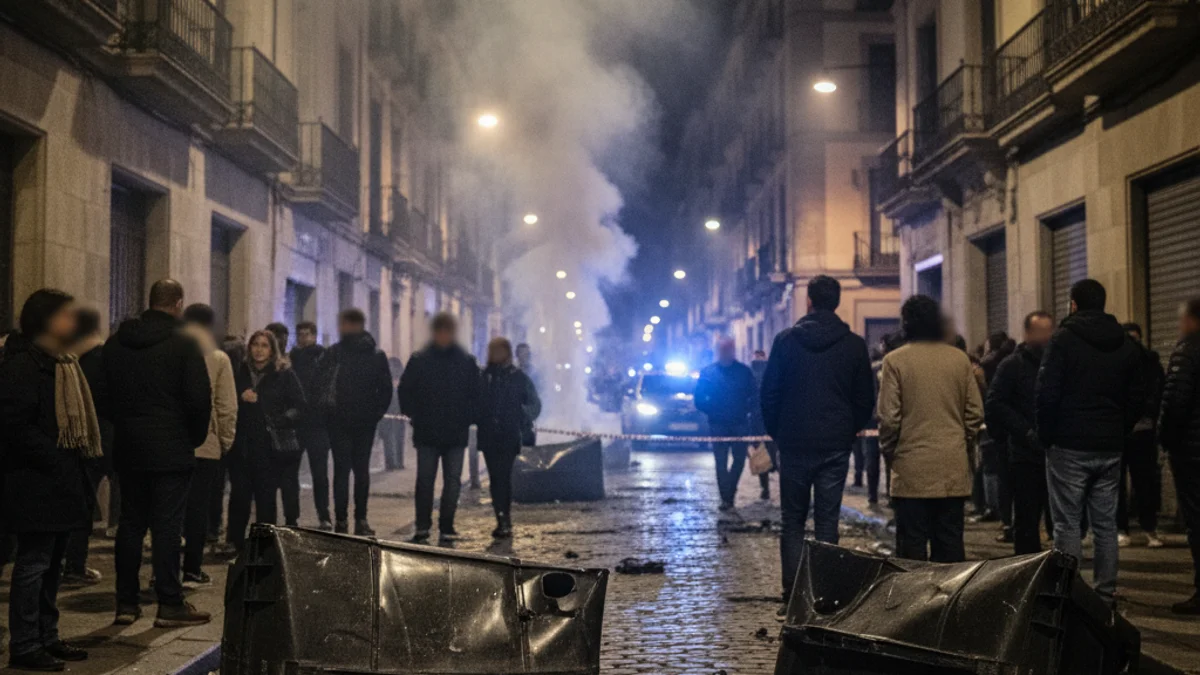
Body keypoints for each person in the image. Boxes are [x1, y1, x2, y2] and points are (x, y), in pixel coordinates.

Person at [104, 279, 212, 627]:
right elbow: (198, 400)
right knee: (167, 526)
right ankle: (170, 603)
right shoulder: (184, 343)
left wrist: (125, 424)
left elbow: (103, 393)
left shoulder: (118, 341)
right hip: (171, 447)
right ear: (178, 303)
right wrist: (190, 439)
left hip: (130, 445)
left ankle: (126, 603)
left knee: (130, 524)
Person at [761, 275, 874, 606]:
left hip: (794, 443)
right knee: (828, 521)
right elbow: (865, 398)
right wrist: (848, 429)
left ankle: (792, 593)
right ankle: (825, 593)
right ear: (837, 302)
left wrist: (778, 432)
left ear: (809, 301)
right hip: (835, 445)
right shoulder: (853, 345)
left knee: (792, 522)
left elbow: (769, 393)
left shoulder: (785, 342)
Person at [1, 290, 99, 669]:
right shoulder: (23, 364)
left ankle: (48, 635)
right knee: (33, 564)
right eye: (65, 315)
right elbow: (14, 425)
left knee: (53, 562)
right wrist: (55, 458)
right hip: (35, 482)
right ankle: (25, 645)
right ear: (45, 320)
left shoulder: (63, 363)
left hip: (58, 481)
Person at [1036, 279, 1143, 606]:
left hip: (1069, 444)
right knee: (1106, 525)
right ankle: (1105, 593)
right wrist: (1119, 429)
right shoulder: (1126, 344)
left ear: (1073, 304)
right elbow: (1137, 396)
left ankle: (1069, 593)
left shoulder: (1064, 341)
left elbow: (1047, 393)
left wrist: (1047, 435)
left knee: (1068, 523)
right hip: (1109, 446)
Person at [879, 295, 983, 564]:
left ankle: (916, 605)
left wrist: (890, 451)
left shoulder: (894, 361)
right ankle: (948, 604)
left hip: (911, 469)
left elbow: (889, 418)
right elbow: (975, 413)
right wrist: (960, 440)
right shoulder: (959, 360)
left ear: (906, 324)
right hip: (951, 469)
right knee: (949, 546)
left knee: (912, 550)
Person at [398, 313, 480, 543]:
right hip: (429, 432)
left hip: (452, 433)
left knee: (451, 482)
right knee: (426, 480)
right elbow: (406, 391)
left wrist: (468, 417)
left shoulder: (465, 362)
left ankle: (446, 526)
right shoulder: (421, 359)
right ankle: (423, 526)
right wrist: (413, 414)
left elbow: (477, 395)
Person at [227, 331, 306, 550]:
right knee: (240, 495)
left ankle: (264, 543)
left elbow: (299, 406)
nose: (259, 350)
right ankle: (234, 540)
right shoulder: (240, 372)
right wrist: (241, 398)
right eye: (255, 345)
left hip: (270, 446)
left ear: (272, 350)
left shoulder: (283, 373)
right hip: (242, 444)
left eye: (264, 345)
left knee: (265, 497)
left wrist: (278, 418)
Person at [316, 309, 393, 535]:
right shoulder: (334, 353)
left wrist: (374, 414)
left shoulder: (375, 355)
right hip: (339, 422)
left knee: (359, 471)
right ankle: (343, 520)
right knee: (344, 471)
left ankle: (359, 518)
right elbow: (320, 384)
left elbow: (385, 389)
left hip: (362, 424)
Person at [986, 311, 1055, 555]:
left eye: (1049, 331)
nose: (1045, 337)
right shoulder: (1012, 365)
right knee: (1027, 519)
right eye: (1040, 331)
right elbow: (995, 404)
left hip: (1057, 454)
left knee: (1059, 521)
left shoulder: (1058, 362)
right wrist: (1024, 432)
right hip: (1025, 455)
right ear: (1027, 334)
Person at [180, 304, 237, 586]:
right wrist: (224, 441)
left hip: (173, 444)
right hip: (206, 444)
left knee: (171, 510)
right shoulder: (218, 358)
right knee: (198, 509)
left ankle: (162, 572)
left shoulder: (172, 353)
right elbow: (226, 406)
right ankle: (191, 567)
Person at [62, 308, 111, 586]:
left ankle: (70, 563)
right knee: (84, 503)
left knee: (76, 500)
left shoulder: (68, 358)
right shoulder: (99, 359)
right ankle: (75, 565)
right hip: (99, 438)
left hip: (73, 438)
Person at [1158, 298, 1200, 614]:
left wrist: (1166, 440)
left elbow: (1176, 401)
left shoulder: (1187, 350)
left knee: (1196, 520)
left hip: (1192, 452)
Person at [477, 337, 541, 538]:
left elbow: (534, 404)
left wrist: (522, 416)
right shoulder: (484, 377)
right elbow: (473, 401)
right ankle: (501, 517)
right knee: (496, 478)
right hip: (489, 435)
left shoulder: (518, 377)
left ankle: (505, 520)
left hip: (508, 435)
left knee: (502, 478)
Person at [695, 337, 758, 511]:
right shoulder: (709, 373)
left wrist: (746, 410)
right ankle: (726, 497)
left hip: (739, 423)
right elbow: (699, 397)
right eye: (723, 349)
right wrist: (712, 410)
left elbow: (754, 395)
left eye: (728, 349)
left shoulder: (743, 372)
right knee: (721, 462)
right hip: (718, 424)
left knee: (739, 460)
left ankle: (729, 492)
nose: (725, 352)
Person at [1118, 322, 1164, 548]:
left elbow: (1159, 391)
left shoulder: (1150, 361)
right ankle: (1123, 527)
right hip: (1122, 430)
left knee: (1144, 481)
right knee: (1118, 483)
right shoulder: (1115, 361)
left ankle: (1148, 527)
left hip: (1141, 429)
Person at [289, 321, 332, 529]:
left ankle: (324, 514)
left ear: (314, 336)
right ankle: (292, 516)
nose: (303, 338)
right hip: (297, 425)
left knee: (320, 474)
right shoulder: (292, 359)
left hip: (317, 424)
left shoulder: (322, 358)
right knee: (292, 473)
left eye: (307, 334)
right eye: (300, 334)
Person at [978, 333, 1017, 542]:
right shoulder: (1021, 364)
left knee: (999, 475)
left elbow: (990, 401)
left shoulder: (987, 366)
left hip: (997, 430)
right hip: (1019, 432)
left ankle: (1006, 521)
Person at [749, 349, 776, 501]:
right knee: (776, 456)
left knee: (761, 456)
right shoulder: (774, 373)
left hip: (757, 423)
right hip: (773, 423)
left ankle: (765, 489)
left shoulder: (750, 374)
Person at [515, 343, 540, 446]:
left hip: (527, 424)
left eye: (527, 353)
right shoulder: (513, 372)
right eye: (522, 353)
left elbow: (536, 400)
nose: (524, 356)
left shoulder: (534, 373)